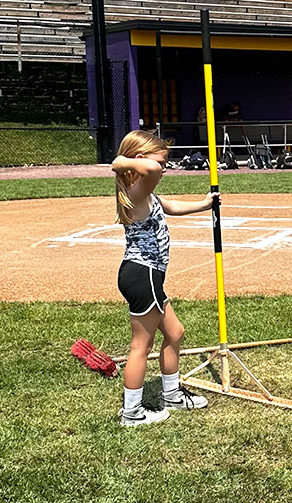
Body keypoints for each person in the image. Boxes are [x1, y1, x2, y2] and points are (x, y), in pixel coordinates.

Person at [112, 130, 219, 426]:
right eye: (160, 162)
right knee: (140, 346)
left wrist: (204, 203)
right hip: (141, 274)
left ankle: (171, 394)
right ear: (138, 162)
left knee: (175, 333)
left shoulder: (146, 194)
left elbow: (170, 206)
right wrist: (123, 160)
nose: (163, 170)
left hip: (149, 277)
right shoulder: (135, 192)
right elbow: (151, 169)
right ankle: (131, 413)